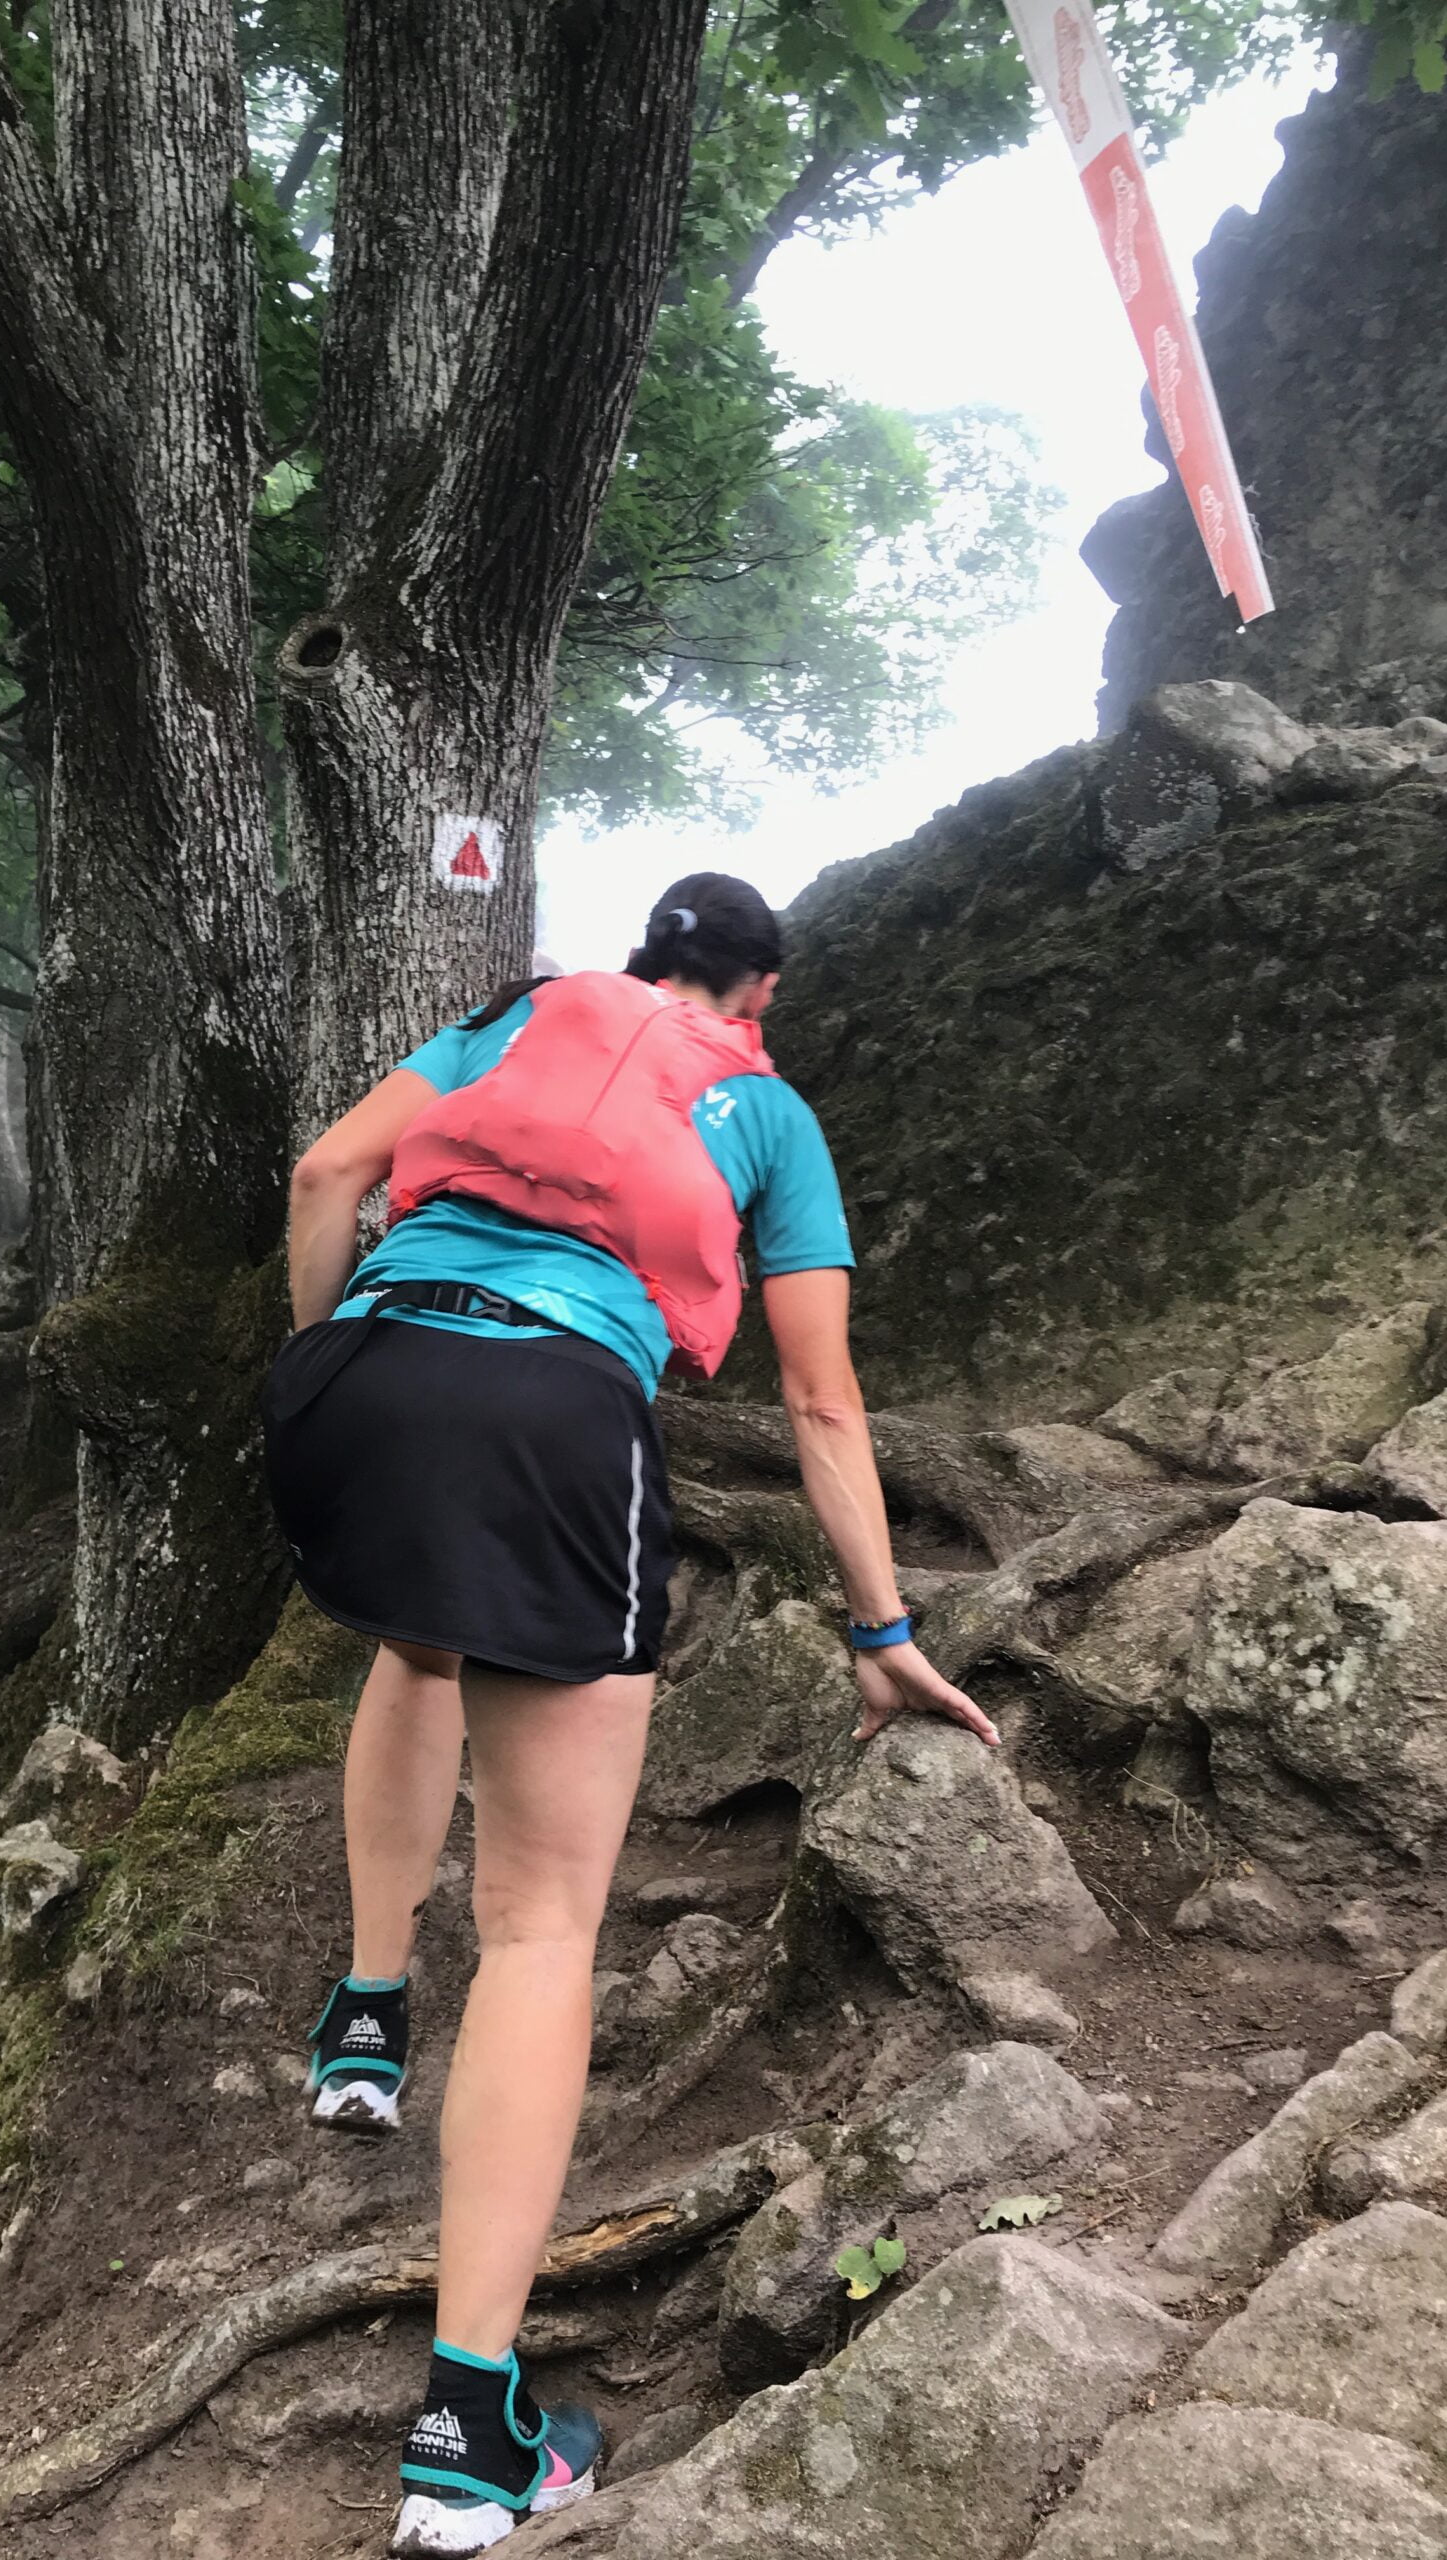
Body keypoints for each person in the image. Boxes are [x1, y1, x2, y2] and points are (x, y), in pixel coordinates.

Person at [262, 873, 995, 2557]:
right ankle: (467, 2442)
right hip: (556, 1409)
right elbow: (819, 1394)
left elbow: (326, 1174)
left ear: (647, 958)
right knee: (539, 1922)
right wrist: (880, 1628)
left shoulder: (528, 1009)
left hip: (361, 1375)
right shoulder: (769, 1112)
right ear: (763, 992)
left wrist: (323, 1369)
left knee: (415, 1651)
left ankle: (363, 2026)